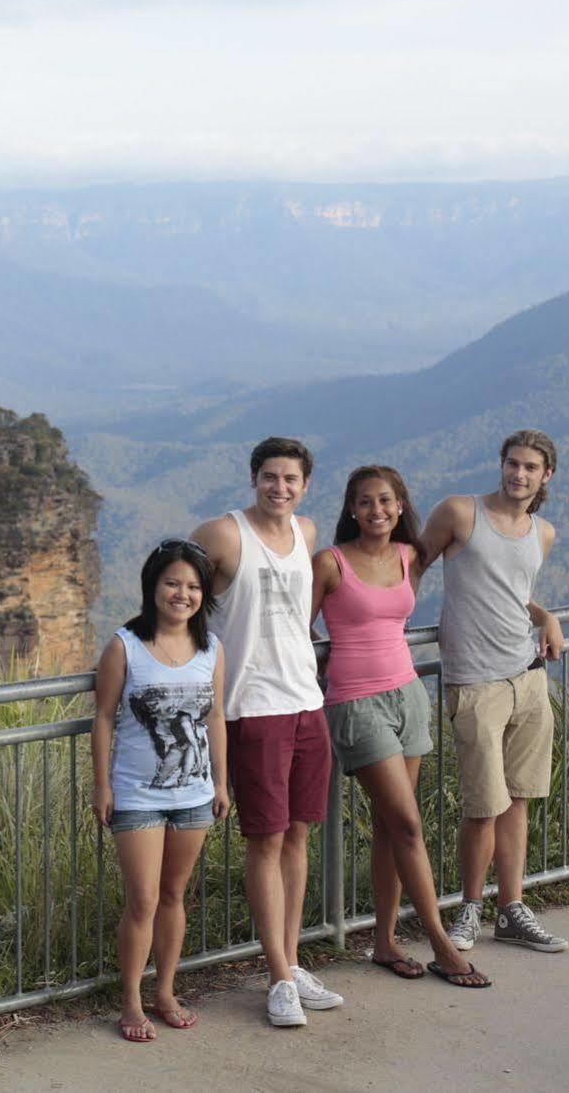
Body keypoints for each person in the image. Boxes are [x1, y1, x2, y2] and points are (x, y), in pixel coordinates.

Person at [312, 465, 489, 989]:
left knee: (393, 826)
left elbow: (477, 581)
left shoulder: (411, 558)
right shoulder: (331, 562)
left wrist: (539, 612)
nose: (376, 511)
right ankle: (439, 941)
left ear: (400, 504)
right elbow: (298, 630)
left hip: (409, 696)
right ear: (350, 508)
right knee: (409, 825)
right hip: (357, 703)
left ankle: (385, 941)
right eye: (365, 502)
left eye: (386, 501)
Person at [189, 437, 342, 1029]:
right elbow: (177, 595)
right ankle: (277, 976)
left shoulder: (305, 533)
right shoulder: (223, 535)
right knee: (266, 840)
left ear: (306, 485)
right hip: (251, 707)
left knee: (298, 835)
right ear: (253, 478)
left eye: (292, 479)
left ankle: (293, 962)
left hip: (307, 699)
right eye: (270, 477)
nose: (281, 488)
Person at [419, 429, 569, 954]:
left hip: (528, 677)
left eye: (530, 467)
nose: (518, 474)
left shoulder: (541, 532)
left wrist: (544, 613)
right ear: (501, 464)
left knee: (518, 802)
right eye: (512, 464)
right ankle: (469, 908)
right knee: (482, 806)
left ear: (546, 475)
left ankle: (511, 907)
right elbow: (410, 567)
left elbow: (514, 592)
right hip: (475, 681)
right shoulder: (461, 513)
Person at [91, 540, 230, 1042]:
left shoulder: (211, 648)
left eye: (193, 586)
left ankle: (165, 990)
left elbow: (215, 717)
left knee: (174, 894)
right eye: (172, 583)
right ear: (153, 585)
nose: (182, 594)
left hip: (194, 793)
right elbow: (104, 717)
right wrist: (102, 784)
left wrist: (222, 780)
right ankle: (130, 1000)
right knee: (143, 899)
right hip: (136, 794)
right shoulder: (124, 645)